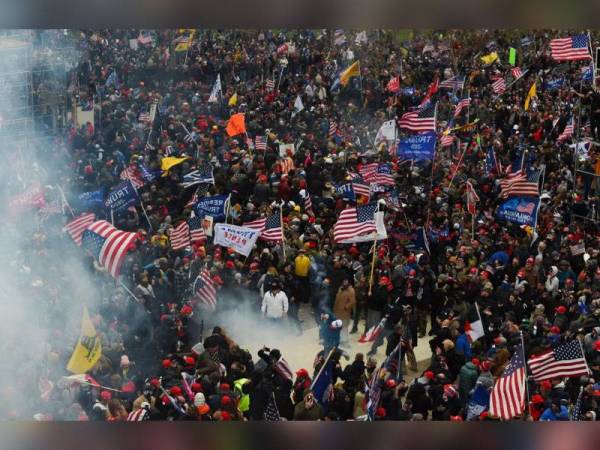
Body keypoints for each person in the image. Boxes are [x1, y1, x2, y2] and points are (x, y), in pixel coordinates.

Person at [333, 278, 356, 346]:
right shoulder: (341, 288)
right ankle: (339, 339)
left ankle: (344, 341)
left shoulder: (351, 290)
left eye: (346, 281)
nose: (344, 283)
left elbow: (352, 301)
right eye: (343, 281)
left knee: (344, 327)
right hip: (337, 310)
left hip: (344, 312)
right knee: (339, 326)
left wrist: (346, 307)